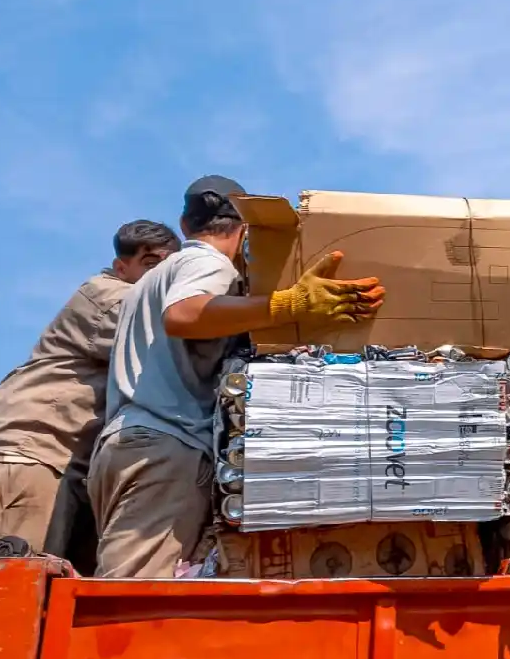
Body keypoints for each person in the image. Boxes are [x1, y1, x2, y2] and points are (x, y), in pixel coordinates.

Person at [89, 176, 385, 578]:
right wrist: (288, 305)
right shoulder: (206, 262)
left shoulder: (150, 280)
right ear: (243, 228)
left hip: (124, 445)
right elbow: (184, 314)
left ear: (185, 224)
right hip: (164, 448)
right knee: (133, 599)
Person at [0, 221, 182, 569]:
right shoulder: (107, 296)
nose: (163, 275)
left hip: (58, 471)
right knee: (5, 599)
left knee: (51, 608)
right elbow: (177, 332)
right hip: (25, 461)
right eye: (151, 264)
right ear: (122, 268)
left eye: (171, 266)